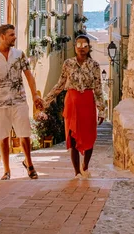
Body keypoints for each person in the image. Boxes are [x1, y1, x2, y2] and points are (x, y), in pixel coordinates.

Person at [0, 24, 44, 180]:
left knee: (25, 134)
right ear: (2, 37)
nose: (14, 37)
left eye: (14, 34)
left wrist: (35, 95)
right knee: (3, 136)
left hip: (19, 100)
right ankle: (6, 171)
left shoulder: (19, 54)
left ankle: (30, 165)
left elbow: (29, 76)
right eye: (11, 35)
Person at [44, 34, 105, 178]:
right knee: (72, 136)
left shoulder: (94, 65)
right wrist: (46, 101)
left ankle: (85, 165)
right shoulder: (68, 64)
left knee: (90, 135)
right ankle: (77, 171)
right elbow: (60, 84)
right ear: (75, 47)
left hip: (88, 102)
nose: (81, 48)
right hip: (72, 101)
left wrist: (101, 110)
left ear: (89, 47)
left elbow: (98, 88)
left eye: (85, 46)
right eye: (79, 45)